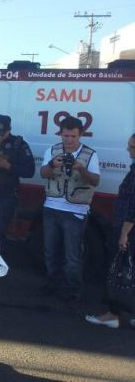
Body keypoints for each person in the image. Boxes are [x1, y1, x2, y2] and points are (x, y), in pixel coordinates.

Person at [39, 116, 100, 307]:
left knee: (72, 255)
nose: (69, 140)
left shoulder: (90, 154)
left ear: (80, 134)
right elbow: (43, 174)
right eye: (66, 136)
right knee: (50, 251)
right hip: (51, 207)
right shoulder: (52, 151)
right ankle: (52, 284)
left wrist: (81, 169)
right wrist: (52, 165)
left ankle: (73, 291)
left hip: (76, 211)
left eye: (73, 136)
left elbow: (95, 181)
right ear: (61, 134)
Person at [85, 133, 135, 329]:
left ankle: (112, 315)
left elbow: (132, 205)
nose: (128, 150)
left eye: (132, 147)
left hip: (128, 229)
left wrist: (124, 233)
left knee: (118, 271)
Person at [0, 115, 35, 249]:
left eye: (2, 133)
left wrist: (8, 166)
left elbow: (30, 171)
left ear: (9, 129)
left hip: (5, 197)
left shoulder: (19, 145)